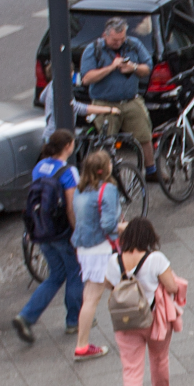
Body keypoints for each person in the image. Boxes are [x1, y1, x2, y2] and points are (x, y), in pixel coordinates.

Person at [109, 216, 186, 386]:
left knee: (131, 370)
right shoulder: (155, 259)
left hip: (126, 322)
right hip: (154, 318)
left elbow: (108, 285)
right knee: (159, 357)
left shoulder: (113, 261)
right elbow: (171, 285)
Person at [11, 128, 82, 346]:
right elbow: (71, 208)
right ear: (68, 146)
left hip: (41, 230)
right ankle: (73, 321)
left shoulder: (39, 168)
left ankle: (26, 316)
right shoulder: (68, 172)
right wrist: (77, 234)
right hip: (62, 232)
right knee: (74, 273)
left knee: (55, 275)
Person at [78, 15, 154, 175]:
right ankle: (105, 175)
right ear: (105, 35)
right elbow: (87, 78)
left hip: (130, 100)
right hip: (104, 103)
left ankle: (151, 170)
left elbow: (147, 67)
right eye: (114, 40)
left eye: (121, 39)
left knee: (144, 136)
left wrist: (133, 68)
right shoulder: (93, 50)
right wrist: (111, 68)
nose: (118, 43)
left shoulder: (133, 44)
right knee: (106, 141)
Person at [69, 148, 124, 362]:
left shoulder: (80, 190)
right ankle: (82, 345)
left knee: (116, 283)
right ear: (105, 169)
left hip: (84, 248)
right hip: (100, 249)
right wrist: (124, 227)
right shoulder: (107, 189)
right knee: (92, 297)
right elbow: (108, 224)